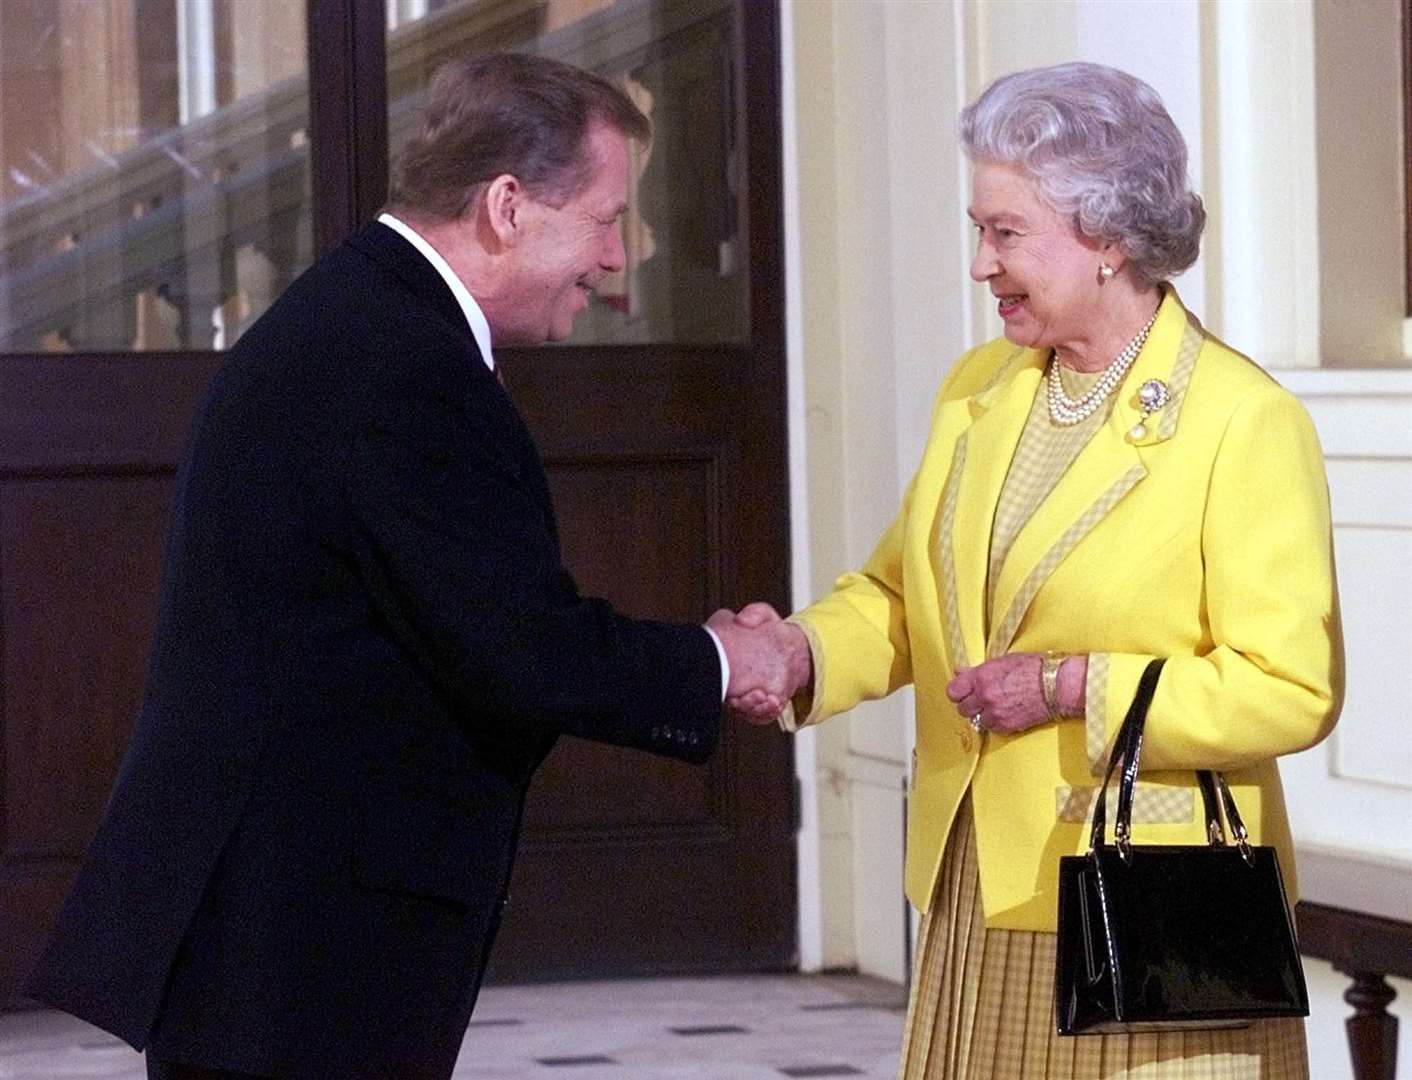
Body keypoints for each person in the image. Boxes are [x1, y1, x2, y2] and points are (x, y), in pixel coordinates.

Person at [27, 52, 797, 1080]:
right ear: (508, 205)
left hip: (280, 917)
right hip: (305, 934)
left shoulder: (360, 317)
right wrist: (720, 660)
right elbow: (521, 648)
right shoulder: (403, 370)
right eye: (608, 218)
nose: (618, 257)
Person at [732, 62, 1343, 1079]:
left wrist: (1071, 686)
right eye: (980, 230)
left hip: (1142, 912)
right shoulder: (980, 391)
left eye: (1005, 233)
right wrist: (796, 652)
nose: (980, 265)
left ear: (1106, 237)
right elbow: (900, 593)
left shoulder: (1240, 421)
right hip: (977, 889)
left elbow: (1288, 687)